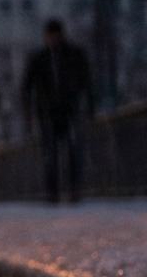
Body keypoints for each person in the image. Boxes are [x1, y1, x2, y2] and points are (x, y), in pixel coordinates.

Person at [20, 18, 94, 204]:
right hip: (48, 113)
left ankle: (72, 190)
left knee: (71, 152)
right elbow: (26, 87)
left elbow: (86, 82)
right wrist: (29, 109)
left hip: (69, 110)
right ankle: (53, 192)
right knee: (51, 155)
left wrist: (89, 106)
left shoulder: (74, 55)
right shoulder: (40, 58)